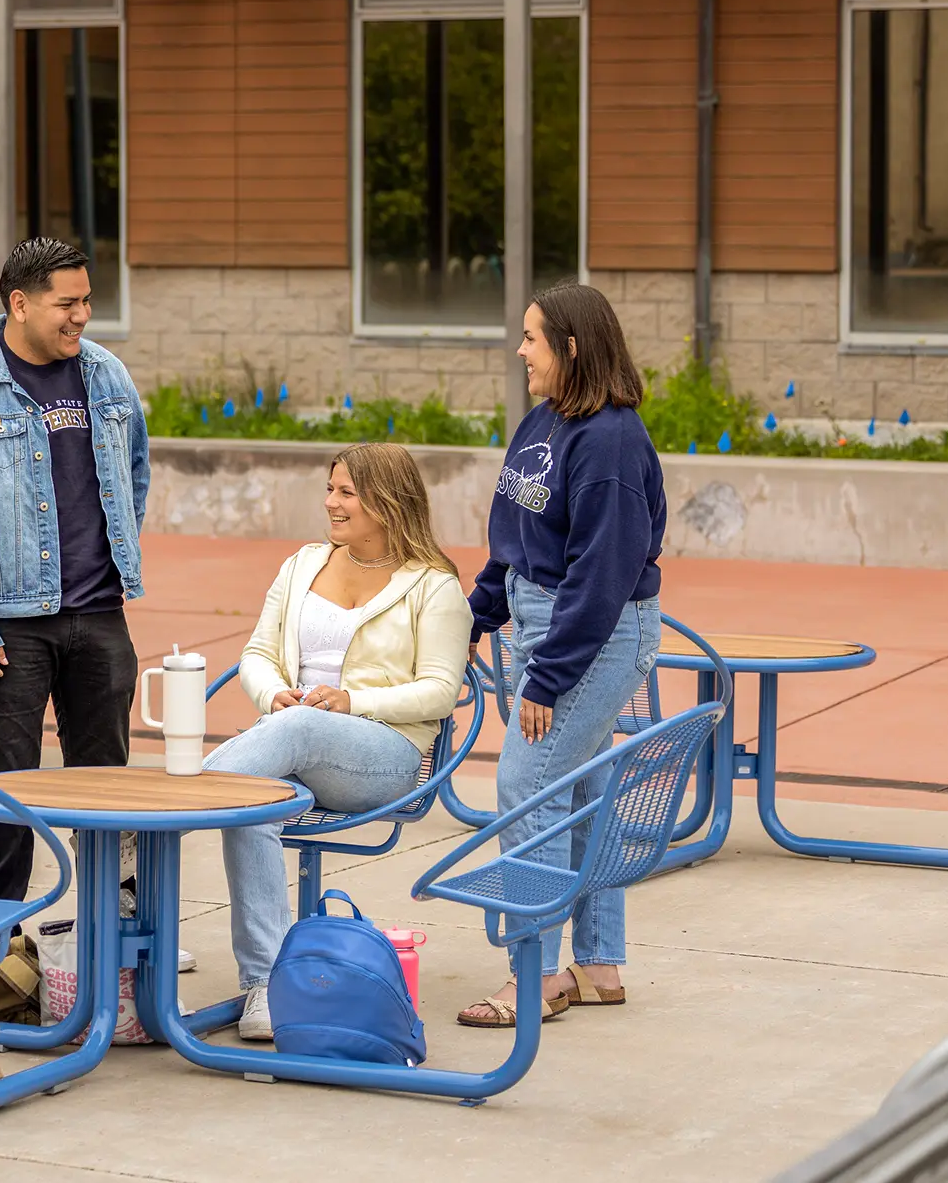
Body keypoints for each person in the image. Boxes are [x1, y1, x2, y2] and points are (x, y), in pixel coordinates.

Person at [0, 237, 178, 952]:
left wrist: (111, 557)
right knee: (7, 790)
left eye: (88, 300)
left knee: (107, 788)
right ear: (20, 304)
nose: (83, 316)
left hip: (98, 615)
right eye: (69, 302)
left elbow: (136, 474)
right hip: (9, 629)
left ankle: (115, 930)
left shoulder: (107, 376)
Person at [204, 442, 473, 1040]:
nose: (331, 502)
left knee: (292, 733)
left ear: (387, 500)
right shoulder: (302, 565)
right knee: (253, 808)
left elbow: (438, 690)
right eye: (331, 489)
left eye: (346, 492)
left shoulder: (433, 586)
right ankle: (266, 986)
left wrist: (353, 702)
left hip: (383, 754)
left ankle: (174, 801)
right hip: (290, 739)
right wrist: (274, 694)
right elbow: (258, 654)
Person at [458, 282, 666, 1029]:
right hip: (546, 620)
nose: (521, 352)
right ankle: (598, 964)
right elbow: (513, 542)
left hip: (593, 634)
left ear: (572, 348)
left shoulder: (610, 441)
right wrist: (475, 618)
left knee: (527, 785)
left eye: (532, 339)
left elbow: (602, 576)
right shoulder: (543, 423)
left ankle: (533, 975)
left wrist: (547, 679)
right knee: (578, 791)